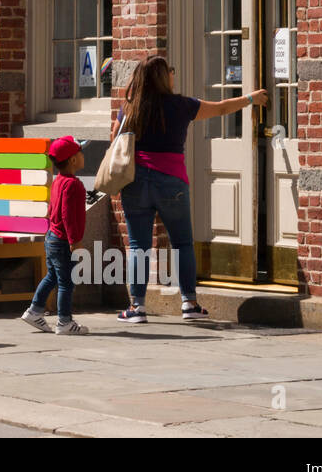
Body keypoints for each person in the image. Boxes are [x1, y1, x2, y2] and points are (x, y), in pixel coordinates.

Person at [111, 55, 267, 322]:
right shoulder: (181, 105)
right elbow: (220, 108)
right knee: (182, 242)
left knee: (138, 246)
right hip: (171, 182)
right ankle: (189, 304)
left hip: (135, 182)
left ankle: (137, 308)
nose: (173, 74)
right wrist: (251, 99)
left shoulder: (130, 108)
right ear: (164, 77)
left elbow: (116, 139)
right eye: (171, 70)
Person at [21, 135, 90, 335]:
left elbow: (53, 210)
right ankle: (64, 322)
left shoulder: (59, 181)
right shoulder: (73, 185)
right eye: (81, 152)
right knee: (66, 282)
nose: (83, 156)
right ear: (73, 160)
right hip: (62, 241)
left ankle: (34, 311)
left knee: (52, 276)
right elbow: (68, 216)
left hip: (51, 237)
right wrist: (74, 241)